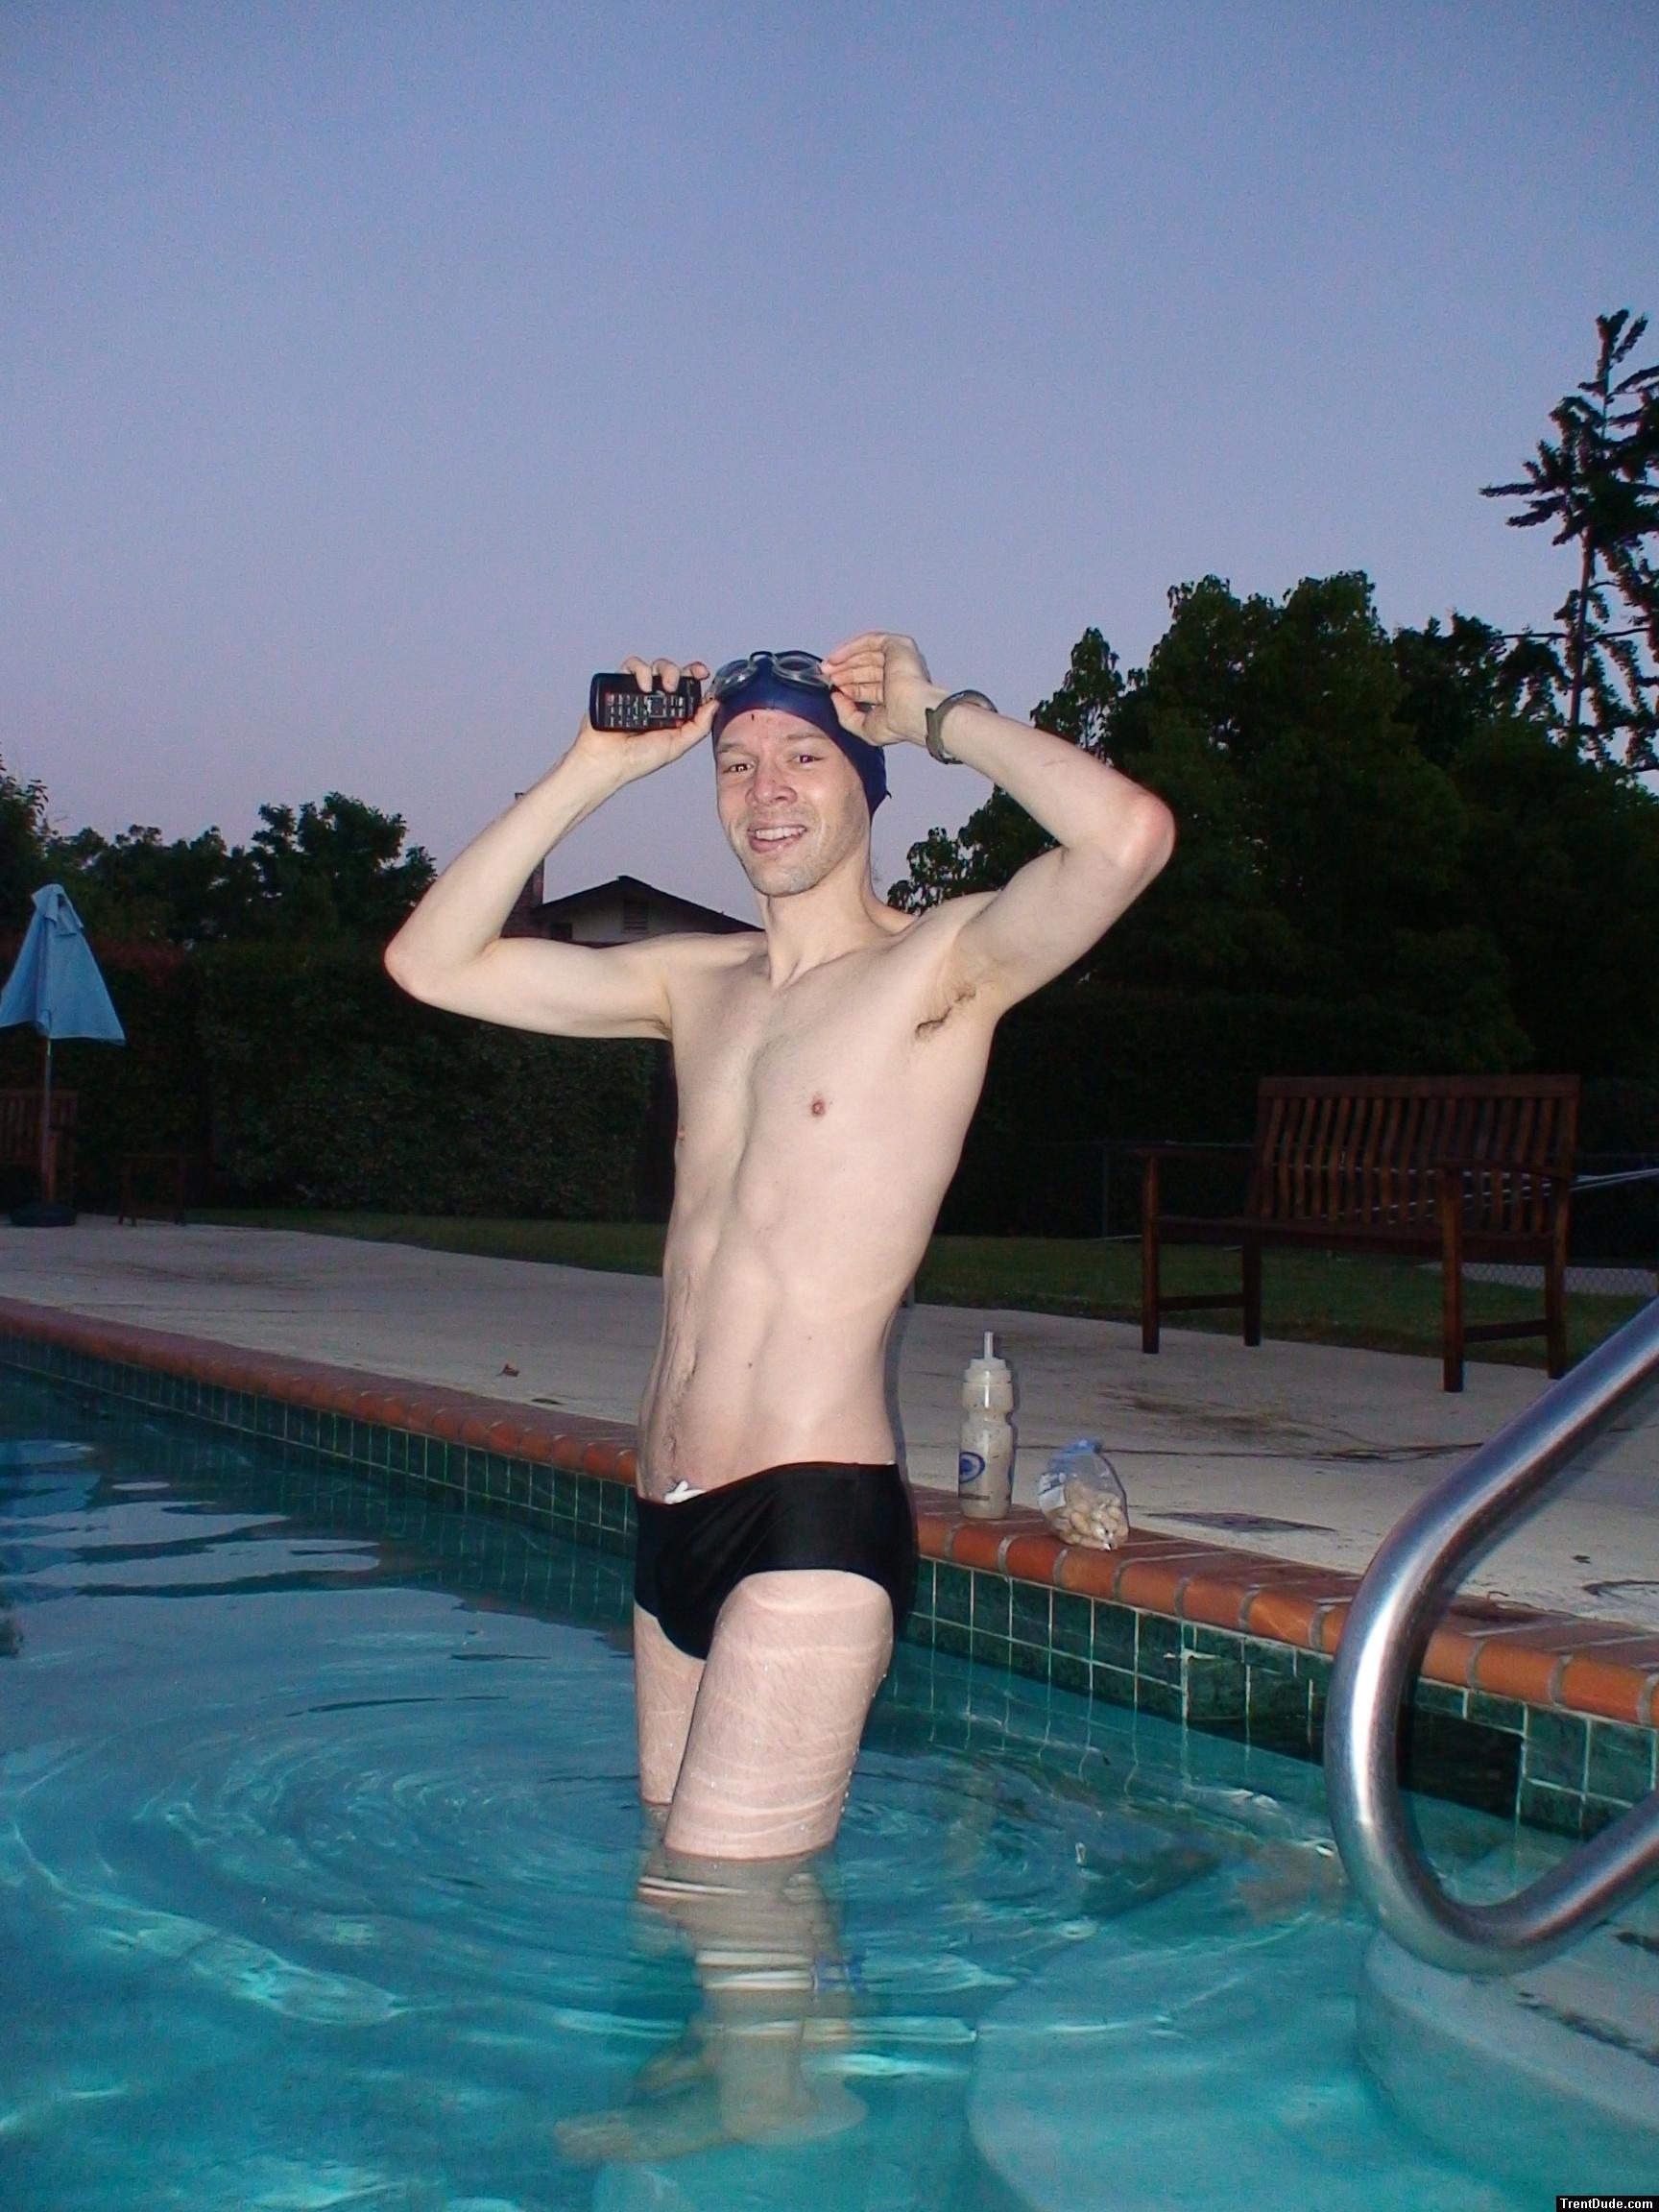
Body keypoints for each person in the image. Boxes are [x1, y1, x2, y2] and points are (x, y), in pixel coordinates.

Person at [385, 632, 1174, 1865]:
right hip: (667, 1514)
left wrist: (938, 716)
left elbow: (1127, 839)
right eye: (736, 762)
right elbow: (427, 964)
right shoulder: (693, 981)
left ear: (868, 780)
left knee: (727, 1925)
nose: (766, 791)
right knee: (682, 1894)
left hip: (808, 1524)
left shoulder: (939, 967)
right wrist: (595, 768)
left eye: (805, 756)